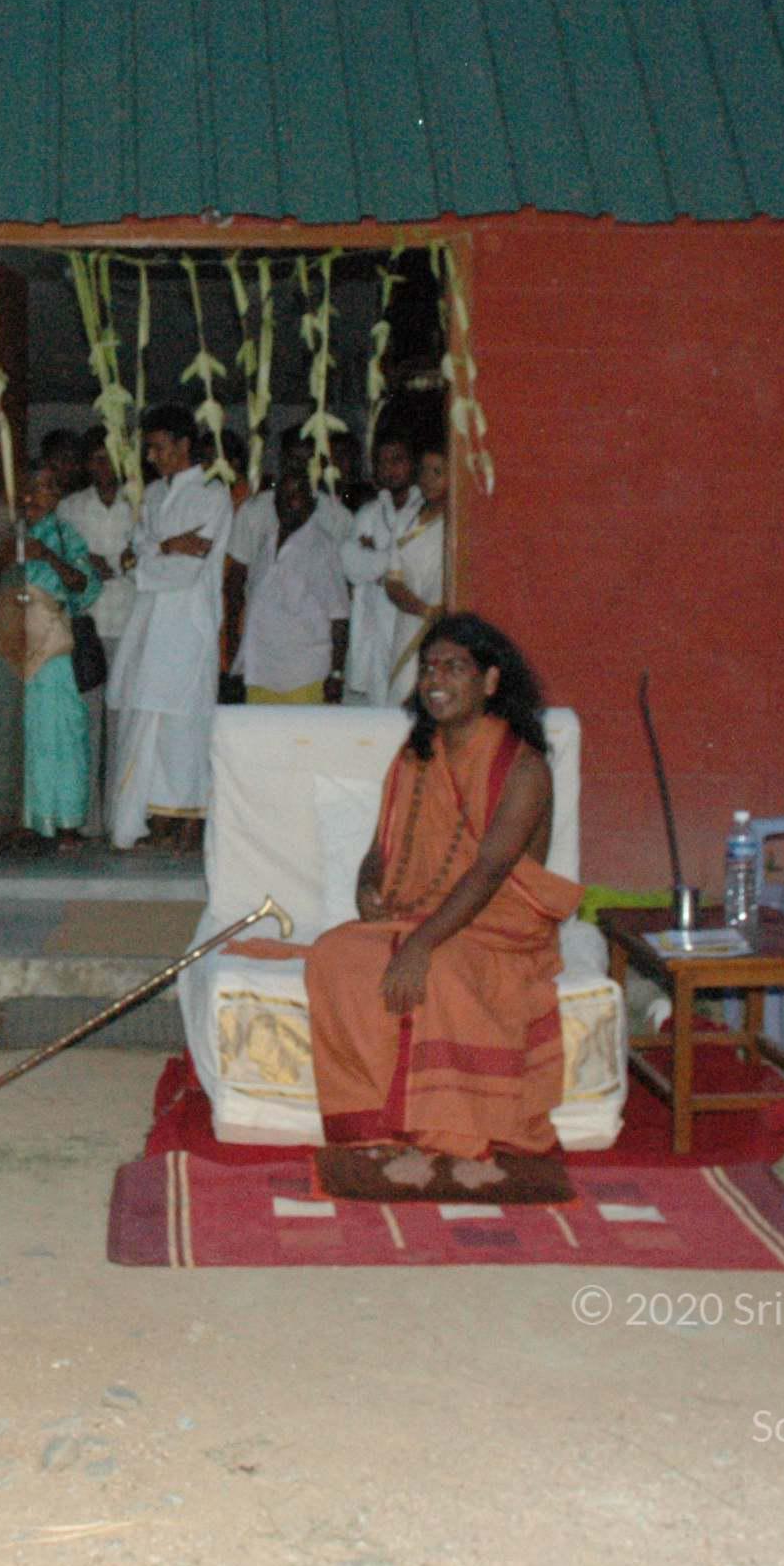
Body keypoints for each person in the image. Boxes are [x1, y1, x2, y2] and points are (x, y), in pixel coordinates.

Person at [296, 613, 582, 1164]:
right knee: (333, 955)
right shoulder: (416, 756)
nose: (436, 681)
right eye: (428, 668)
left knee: (438, 974)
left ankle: (450, 1129)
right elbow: (380, 846)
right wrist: (367, 884)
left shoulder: (523, 768)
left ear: (490, 681)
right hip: (418, 914)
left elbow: (489, 871)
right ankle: (374, 1123)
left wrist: (422, 944)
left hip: (497, 925)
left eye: (454, 668)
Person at [105, 406, 235, 851]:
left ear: (183, 445)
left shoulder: (212, 496)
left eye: (159, 448)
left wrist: (145, 560)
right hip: (147, 627)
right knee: (144, 723)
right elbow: (132, 552)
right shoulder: (155, 495)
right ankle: (147, 819)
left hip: (186, 630)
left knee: (184, 727)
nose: (152, 457)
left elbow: (184, 571)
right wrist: (164, 546)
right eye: (149, 449)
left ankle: (190, 820)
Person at [5, 463, 98, 843]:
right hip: (11, 641)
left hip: (52, 645)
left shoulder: (64, 534)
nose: (37, 496)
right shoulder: (5, 529)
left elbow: (86, 586)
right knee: (19, 730)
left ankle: (65, 821)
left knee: (61, 729)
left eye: (48, 488)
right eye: (33, 487)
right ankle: (24, 821)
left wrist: (47, 556)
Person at [53, 437, 137, 838]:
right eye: (97, 459)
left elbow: (147, 557)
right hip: (85, 626)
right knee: (85, 726)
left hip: (128, 625)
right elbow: (61, 557)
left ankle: (120, 820)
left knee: (122, 727)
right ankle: (86, 820)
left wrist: (116, 566)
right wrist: (87, 566)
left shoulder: (140, 503)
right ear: (88, 464)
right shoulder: (71, 508)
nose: (104, 466)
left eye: (111, 458)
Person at [224, 433, 351, 695]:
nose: (300, 467)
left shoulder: (337, 518)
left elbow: (340, 607)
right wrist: (234, 645)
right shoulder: (256, 512)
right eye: (293, 459)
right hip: (259, 662)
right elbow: (236, 583)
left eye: (307, 460)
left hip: (305, 670)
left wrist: (337, 671)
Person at [341, 432, 449, 709]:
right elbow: (350, 565)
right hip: (376, 632)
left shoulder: (429, 512)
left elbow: (379, 566)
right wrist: (388, 561)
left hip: (415, 624)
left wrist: (375, 560)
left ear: (411, 464)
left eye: (397, 460)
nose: (389, 469)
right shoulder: (369, 513)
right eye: (383, 462)